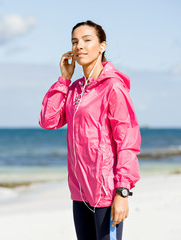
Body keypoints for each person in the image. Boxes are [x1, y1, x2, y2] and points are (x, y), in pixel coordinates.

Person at [39, 20, 141, 240]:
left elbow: (127, 142)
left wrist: (122, 192)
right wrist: (64, 80)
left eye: (87, 40)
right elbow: (49, 120)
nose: (79, 47)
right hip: (80, 192)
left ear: (102, 46)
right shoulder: (75, 89)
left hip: (106, 194)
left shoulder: (113, 87)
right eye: (75, 42)